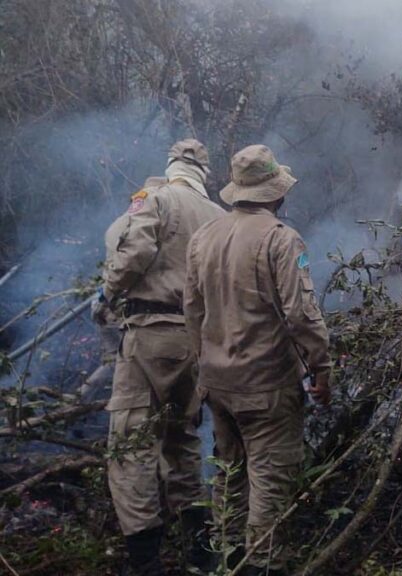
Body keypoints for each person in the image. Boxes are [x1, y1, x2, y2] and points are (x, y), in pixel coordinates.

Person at [184, 144, 331, 575]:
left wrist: (204, 368)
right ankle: (260, 567)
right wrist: (322, 369)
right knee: (270, 481)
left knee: (230, 476)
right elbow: (301, 315)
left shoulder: (203, 237)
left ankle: (226, 560)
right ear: (275, 193)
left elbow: (191, 311)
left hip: (218, 385)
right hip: (266, 386)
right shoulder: (282, 240)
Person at [100, 140, 224, 575]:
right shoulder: (221, 218)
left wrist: (106, 294)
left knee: (130, 446)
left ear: (170, 167)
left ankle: (146, 562)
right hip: (198, 342)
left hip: (150, 335)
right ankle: (201, 553)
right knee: (183, 441)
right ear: (204, 173)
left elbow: (131, 254)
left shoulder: (155, 199)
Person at [82, 177, 167, 402]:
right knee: (130, 371)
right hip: (121, 309)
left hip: (105, 305)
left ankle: (79, 400)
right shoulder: (147, 226)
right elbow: (133, 265)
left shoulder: (120, 223)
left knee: (111, 362)